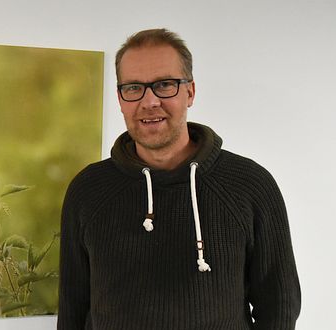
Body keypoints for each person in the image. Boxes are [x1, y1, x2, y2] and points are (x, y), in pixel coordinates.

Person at [58, 28, 301, 329]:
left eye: (164, 85)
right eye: (133, 88)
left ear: (190, 92)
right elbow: (72, 310)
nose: (149, 102)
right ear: (120, 99)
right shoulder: (88, 190)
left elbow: (279, 306)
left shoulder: (250, 185)